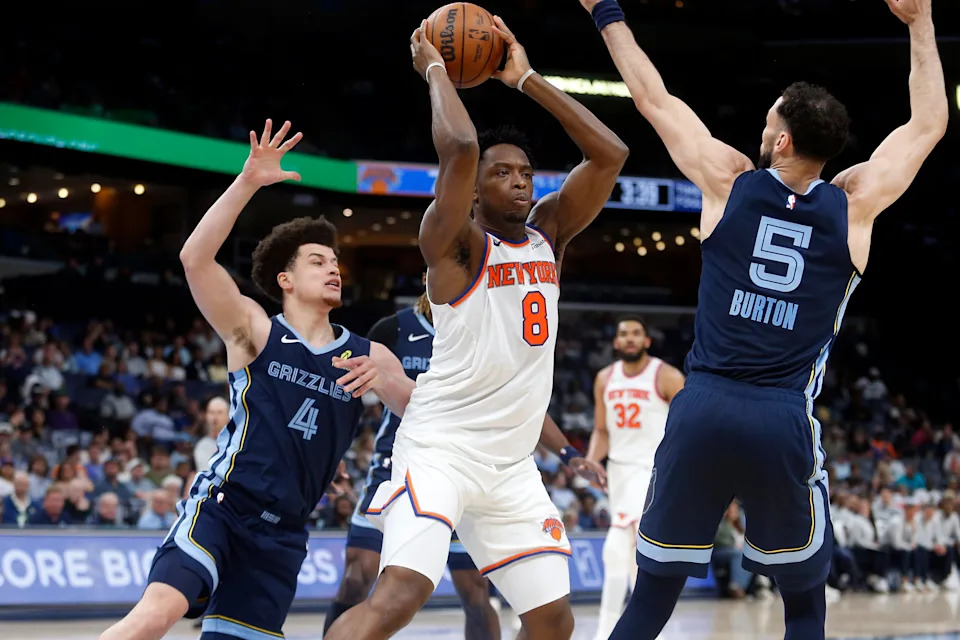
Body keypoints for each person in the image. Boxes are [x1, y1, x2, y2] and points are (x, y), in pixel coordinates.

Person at [577, 0, 947, 638]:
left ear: (782, 141)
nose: (763, 125)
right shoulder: (855, 205)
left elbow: (652, 98)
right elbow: (929, 124)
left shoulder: (728, 181)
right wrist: (921, 21)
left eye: (769, 118)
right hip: (781, 416)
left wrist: (605, 10)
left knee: (651, 598)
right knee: (803, 604)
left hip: (704, 404)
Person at [326, 15, 626, 640]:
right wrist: (436, 68)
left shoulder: (549, 235)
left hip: (510, 464)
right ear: (474, 191)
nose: (518, 182)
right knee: (399, 596)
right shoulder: (455, 245)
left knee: (553, 622)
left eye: (525, 173)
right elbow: (460, 148)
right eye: (502, 173)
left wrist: (527, 78)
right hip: (441, 447)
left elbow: (610, 153)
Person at [98, 119, 415, 640]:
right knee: (154, 616)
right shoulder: (256, 331)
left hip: (284, 535)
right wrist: (247, 182)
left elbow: (424, 413)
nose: (333, 268)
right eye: (318, 261)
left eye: (336, 262)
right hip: (224, 507)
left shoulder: (369, 355)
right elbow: (194, 259)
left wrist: (388, 379)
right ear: (285, 279)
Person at [325, 292, 606, 639]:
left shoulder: (496, 326)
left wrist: (568, 453)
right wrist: (332, 451)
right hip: (409, 458)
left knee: (476, 590)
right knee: (364, 576)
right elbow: (351, 389)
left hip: (487, 465)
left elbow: (524, 402)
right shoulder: (395, 328)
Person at [586, 316, 684, 639]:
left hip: (653, 471)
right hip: (619, 472)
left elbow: (688, 427)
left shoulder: (667, 376)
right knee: (632, 559)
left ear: (647, 341)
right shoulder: (604, 378)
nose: (630, 339)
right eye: (624, 334)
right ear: (616, 342)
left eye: (636, 333)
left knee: (616, 547)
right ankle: (649, 631)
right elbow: (602, 430)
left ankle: (604, 633)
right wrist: (591, 461)